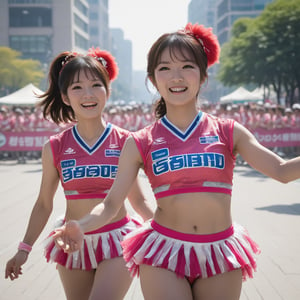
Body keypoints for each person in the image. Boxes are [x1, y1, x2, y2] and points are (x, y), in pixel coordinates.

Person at [52, 23, 300, 300]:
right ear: (153, 79)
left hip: (220, 251)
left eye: (187, 66)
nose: (176, 77)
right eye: (165, 68)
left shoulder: (229, 131)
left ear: (203, 76)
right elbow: (111, 204)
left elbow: (282, 170)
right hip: (163, 254)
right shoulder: (140, 141)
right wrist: (81, 225)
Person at [4, 47, 153, 300]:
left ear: (108, 91)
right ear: (64, 96)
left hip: (118, 240)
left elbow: (138, 200)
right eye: (77, 88)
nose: (88, 94)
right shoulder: (55, 147)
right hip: (71, 242)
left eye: (96, 85)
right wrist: (23, 249)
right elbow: (43, 203)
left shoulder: (126, 141)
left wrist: (167, 233)